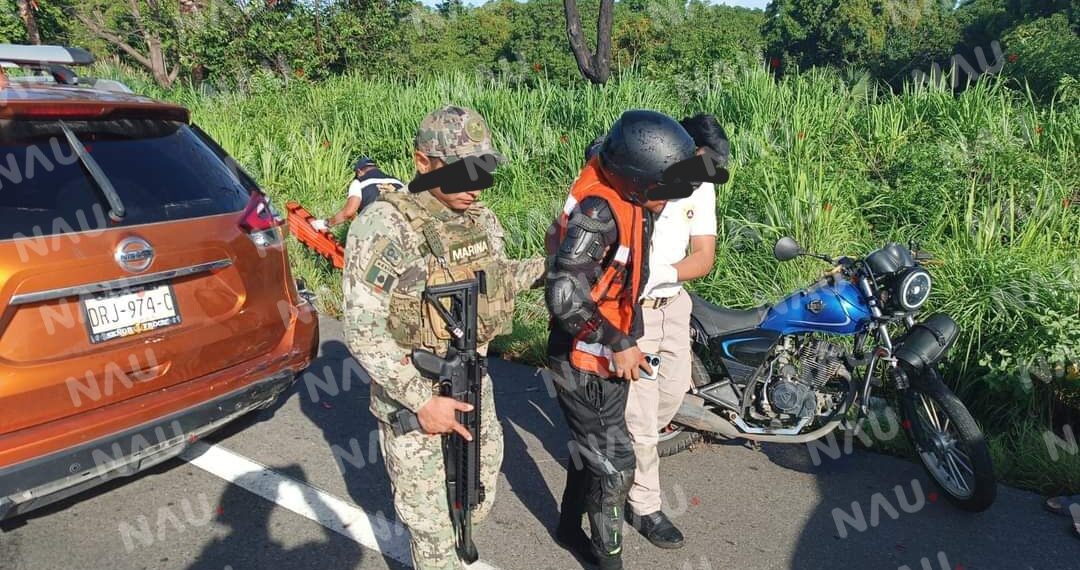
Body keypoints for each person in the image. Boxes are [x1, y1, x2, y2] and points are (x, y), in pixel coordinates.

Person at [342, 105, 546, 570]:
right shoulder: (383, 225)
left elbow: (497, 279)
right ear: (422, 162)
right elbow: (362, 328)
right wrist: (421, 400)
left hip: (473, 385)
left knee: (477, 494)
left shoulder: (481, 221)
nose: (474, 184)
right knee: (431, 526)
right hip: (414, 398)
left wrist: (550, 268)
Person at [546, 109, 698, 570]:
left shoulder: (622, 172)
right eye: (662, 192)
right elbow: (564, 292)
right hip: (583, 356)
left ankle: (569, 530)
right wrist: (619, 340)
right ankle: (608, 561)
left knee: (591, 450)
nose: (668, 202)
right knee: (615, 465)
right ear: (634, 181)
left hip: (607, 351)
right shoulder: (599, 212)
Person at [623, 114, 729, 549]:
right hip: (635, 311)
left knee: (673, 393)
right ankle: (643, 503)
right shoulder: (641, 180)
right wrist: (636, 284)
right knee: (643, 416)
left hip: (674, 304)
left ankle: (622, 449)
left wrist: (660, 274)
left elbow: (704, 255)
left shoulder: (701, 189)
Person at [310, 157, 404, 231]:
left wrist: (326, 223)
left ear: (359, 172)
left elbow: (348, 213)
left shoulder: (359, 183)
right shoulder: (398, 182)